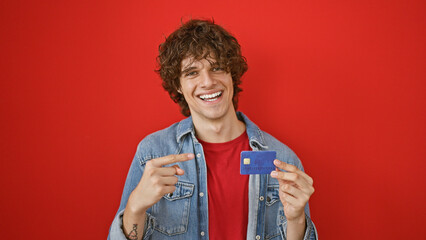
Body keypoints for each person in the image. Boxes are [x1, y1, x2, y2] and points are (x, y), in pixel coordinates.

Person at [108, 19, 317, 240]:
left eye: (216, 68)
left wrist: (296, 220)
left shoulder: (283, 159)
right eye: (192, 72)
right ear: (178, 85)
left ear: (231, 76)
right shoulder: (153, 153)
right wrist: (135, 206)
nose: (207, 82)